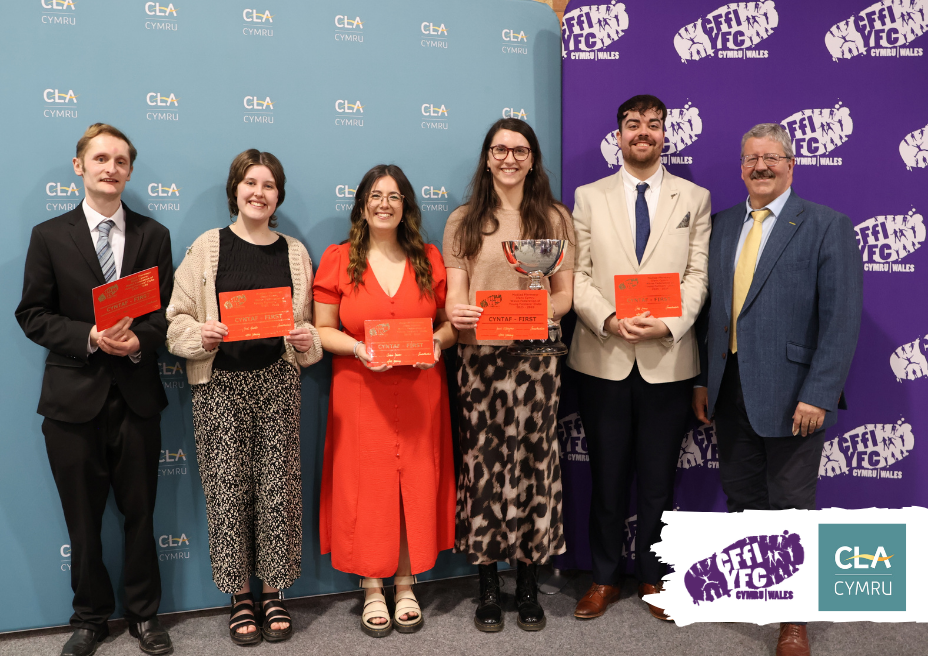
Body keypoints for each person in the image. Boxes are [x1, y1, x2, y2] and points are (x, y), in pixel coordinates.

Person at [692, 123, 862, 656]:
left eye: (771, 158)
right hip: (728, 390)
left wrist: (819, 392)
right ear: (741, 167)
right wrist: (702, 380)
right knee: (743, 499)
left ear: (791, 164)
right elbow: (711, 314)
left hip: (795, 397)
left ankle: (794, 620)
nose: (761, 166)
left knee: (791, 508)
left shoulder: (826, 225)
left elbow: (841, 319)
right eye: (751, 159)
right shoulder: (722, 225)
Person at [15, 124, 174, 656]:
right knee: (81, 520)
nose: (111, 168)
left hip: (136, 397)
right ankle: (89, 618)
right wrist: (88, 336)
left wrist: (137, 341)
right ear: (79, 166)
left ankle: (145, 615)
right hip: (71, 400)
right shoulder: (48, 236)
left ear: (129, 171)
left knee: (141, 515)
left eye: (121, 161)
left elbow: (165, 316)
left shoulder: (154, 235)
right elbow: (32, 314)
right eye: (101, 158)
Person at [165, 150, 322, 646]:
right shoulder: (206, 248)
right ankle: (239, 597)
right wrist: (200, 335)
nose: (259, 192)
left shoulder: (295, 253)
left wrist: (307, 341)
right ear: (235, 189)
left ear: (279, 195)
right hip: (219, 386)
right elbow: (175, 320)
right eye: (250, 182)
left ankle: (273, 593)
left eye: (269, 185)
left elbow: (311, 328)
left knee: (278, 491)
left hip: (277, 382)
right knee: (227, 493)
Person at [568, 95, 711, 622]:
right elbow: (577, 275)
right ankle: (604, 578)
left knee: (657, 481)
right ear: (619, 135)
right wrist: (608, 319)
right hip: (603, 356)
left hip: (667, 359)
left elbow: (698, 276)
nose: (643, 132)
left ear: (666, 133)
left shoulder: (694, 198)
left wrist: (670, 324)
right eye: (633, 124)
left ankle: (654, 576)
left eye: (653, 124)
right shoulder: (588, 197)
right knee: (606, 477)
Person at [314, 164, 457, 637]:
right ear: (361, 205)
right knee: (366, 486)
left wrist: (437, 343)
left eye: (394, 197)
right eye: (376, 195)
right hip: (360, 390)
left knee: (413, 484)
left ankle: (406, 582)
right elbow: (322, 329)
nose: (384, 204)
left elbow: (449, 326)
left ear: (406, 207)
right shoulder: (339, 259)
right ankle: (372, 587)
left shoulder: (428, 258)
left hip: (420, 390)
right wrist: (358, 348)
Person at [444, 118, 574, 632]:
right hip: (480, 362)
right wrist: (458, 312)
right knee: (484, 470)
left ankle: (527, 582)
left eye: (520, 150)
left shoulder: (554, 218)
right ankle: (487, 584)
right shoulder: (463, 221)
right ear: (487, 158)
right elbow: (456, 295)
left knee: (533, 468)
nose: (509, 159)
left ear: (532, 159)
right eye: (500, 150)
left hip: (537, 362)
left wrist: (538, 313)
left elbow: (564, 296)